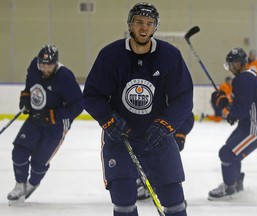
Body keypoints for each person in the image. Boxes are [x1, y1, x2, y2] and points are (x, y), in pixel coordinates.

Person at [82, 2, 193, 216]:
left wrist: (165, 125)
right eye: (139, 22)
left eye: (150, 24)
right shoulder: (111, 55)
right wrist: (108, 120)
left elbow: (183, 99)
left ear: (155, 28)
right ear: (130, 25)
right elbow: (92, 96)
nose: (144, 28)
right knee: (123, 199)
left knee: (174, 198)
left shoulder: (169, 55)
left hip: (158, 136)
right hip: (120, 137)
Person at [7, 45, 83, 205]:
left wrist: (53, 115)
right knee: (19, 151)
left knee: (38, 161)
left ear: (56, 63)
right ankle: (20, 185)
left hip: (56, 126)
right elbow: (29, 86)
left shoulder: (65, 77)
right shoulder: (34, 67)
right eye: (42, 65)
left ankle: (33, 183)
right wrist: (25, 99)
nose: (45, 69)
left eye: (49, 65)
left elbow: (78, 105)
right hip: (35, 118)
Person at [208, 48, 257, 200]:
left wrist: (222, 103)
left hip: (255, 127)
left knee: (227, 153)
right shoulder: (251, 75)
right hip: (251, 124)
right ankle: (236, 184)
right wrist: (225, 102)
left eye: (231, 65)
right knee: (231, 153)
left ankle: (228, 188)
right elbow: (244, 104)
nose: (230, 69)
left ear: (238, 64)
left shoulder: (242, 79)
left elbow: (239, 110)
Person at [137, 112, 194, 200]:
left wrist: (181, 133)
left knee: (166, 161)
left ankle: (172, 192)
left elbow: (185, 109)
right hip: (145, 129)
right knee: (140, 156)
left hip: (167, 131)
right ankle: (146, 182)